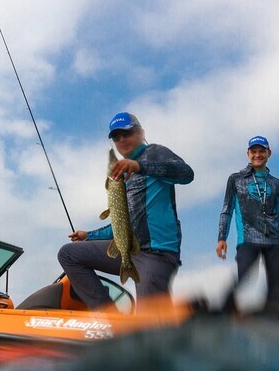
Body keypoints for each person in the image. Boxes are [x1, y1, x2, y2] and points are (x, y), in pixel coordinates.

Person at [57, 112, 194, 311]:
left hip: (156, 254)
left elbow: (186, 174)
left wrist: (139, 166)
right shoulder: (123, 175)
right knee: (68, 254)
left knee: (150, 320)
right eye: (116, 137)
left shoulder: (155, 153)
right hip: (127, 251)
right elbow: (123, 223)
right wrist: (89, 235)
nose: (121, 140)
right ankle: (109, 316)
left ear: (140, 133)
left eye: (127, 133)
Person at [216, 135, 279, 310]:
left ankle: (275, 319)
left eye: (262, 151)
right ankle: (223, 312)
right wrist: (222, 238)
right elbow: (227, 210)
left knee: (278, 293)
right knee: (243, 277)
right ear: (248, 154)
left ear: (269, 153)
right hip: (248, 239)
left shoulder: (277, 184)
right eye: (254, 151)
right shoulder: (236, 179)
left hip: (276, 242)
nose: (257, 155)